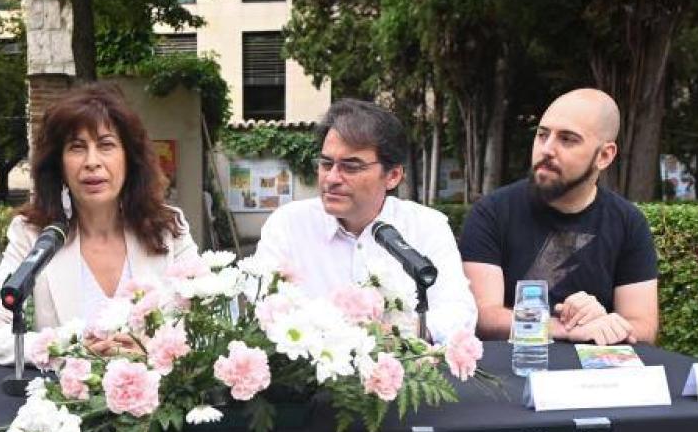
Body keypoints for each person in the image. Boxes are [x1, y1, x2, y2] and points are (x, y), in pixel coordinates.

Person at [0, 83, 198, 365]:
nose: (92, 162)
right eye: (77, 148)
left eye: (106, 145)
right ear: (59, 165)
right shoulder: (33, 234)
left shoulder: (167, 230)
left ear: (129, 158)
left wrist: (153, 349)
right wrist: (67, 349)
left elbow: (208, 323)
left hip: (158, 401)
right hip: (65, 401)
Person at [256, 99, 476, 343]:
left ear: (392, 176)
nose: (332, 178)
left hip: (399, 371)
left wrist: (400, 334)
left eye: (351, 167)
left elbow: (460, 312)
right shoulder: (288, 225)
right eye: (326, 164)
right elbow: (260, 306)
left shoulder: (426, 227)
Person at [460, 88, 659, 346]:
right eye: (542, 135)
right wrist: (562, 328)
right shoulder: (492, 213)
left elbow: (643, 326)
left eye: (567, 139)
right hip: (512, 372)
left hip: (592, 380)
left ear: (604, 156)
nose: (547, 149)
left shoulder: (628, 222)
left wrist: (606, 322)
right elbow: (482, 317)